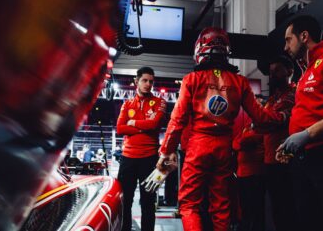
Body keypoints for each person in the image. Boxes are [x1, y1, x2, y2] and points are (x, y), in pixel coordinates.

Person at [156, 27, 286, 231]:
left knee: (189, 204)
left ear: (201, 49)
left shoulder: (191, 80)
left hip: (198, 146)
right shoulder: (240, 81)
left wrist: (165, 151)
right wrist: (283, 117)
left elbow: (177, 119)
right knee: (221, 206)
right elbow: (261, 117)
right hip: (224, 149)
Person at [277, 15, 323, 231]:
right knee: (307, 219)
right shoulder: (305, 72)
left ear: (304, 36)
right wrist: (289, 143)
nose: (286, 47)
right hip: (303, 158)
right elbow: (308, 113)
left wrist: (307, 134)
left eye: (288, 40)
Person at [116, 66, 167, 231]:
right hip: (128, 159)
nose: (148, 84)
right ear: (136, 81)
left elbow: (154, 124)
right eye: (144, 80)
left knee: (148, 202)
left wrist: (134, 123)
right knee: (125, 202)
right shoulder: (127, 104)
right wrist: (143, 127)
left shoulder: (160, 102)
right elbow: (120, 128)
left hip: (149, 159)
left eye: (151, 81)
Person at [260, 56, 299, 231]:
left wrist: (259, 119)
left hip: (286, 161)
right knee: (274, 211)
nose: (272, 74)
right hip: (268, 161)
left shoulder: (295, 93)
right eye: (271, 71)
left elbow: (275, 120)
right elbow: (262, 124)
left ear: (289, 72)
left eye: (277, 70)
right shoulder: (272, 99)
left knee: (288, 211)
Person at [232, 96, 265, 231]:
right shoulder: (248, 125)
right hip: (243, 173)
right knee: (245, 208)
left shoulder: (262, 125)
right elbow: (235, 143)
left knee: (256, 209)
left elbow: (242, 142)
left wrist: (239, 142)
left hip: (255, 173)